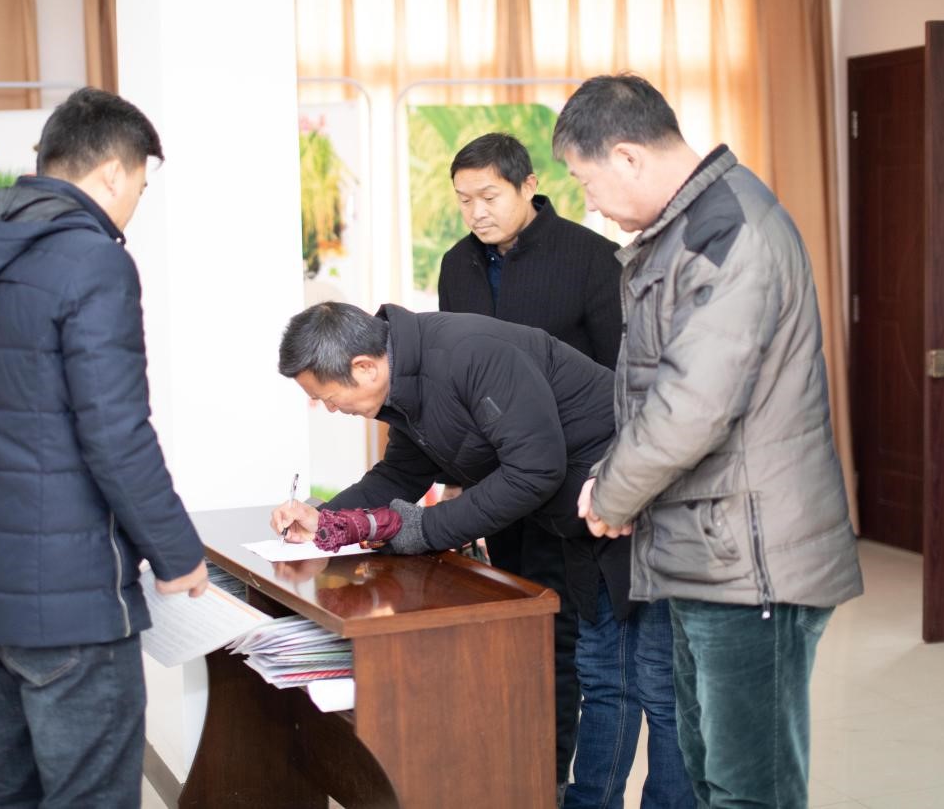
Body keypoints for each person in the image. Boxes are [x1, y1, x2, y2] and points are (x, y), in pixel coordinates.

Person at [554, 74, 864, 808]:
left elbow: (693, 404)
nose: (589, 203)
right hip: (709, 552)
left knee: (748, 788)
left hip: (751, 563)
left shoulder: (727, 234)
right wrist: (615, 477)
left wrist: (612, 494)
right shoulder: (688, 231)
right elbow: (655, 391)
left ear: (627, 157)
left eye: (585, 181)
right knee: (704, 776)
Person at [0, 87, 208, 808]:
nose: (135, 203)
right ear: (113, 171)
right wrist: (177, 554)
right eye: (140, 185)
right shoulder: (92, 260)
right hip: (68, 603)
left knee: (12, 787)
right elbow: (116, 433)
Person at [269, 300, 615, 804]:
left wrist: (424, 528)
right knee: (591, 669)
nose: (329, 409)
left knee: (619, 679)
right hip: (559, 517)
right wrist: (325, 519)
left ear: (364, 368)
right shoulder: (406, 382)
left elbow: (535, 469)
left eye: (327, 397)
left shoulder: (468, 355)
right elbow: (400, 474)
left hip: (615, 508)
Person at [437, 133, 689, 808]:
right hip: (502, 487)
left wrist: (618, 481)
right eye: (463, 200)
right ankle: (533, 772)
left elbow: (623, 377)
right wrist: (458, 476)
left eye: (489, 195)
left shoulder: (590, 258)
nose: (476, 212)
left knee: (576, 643)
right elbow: (460, 377)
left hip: (583, 486)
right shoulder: (456, 266)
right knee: (520, 632)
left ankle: (553, 777)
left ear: (527, 186)